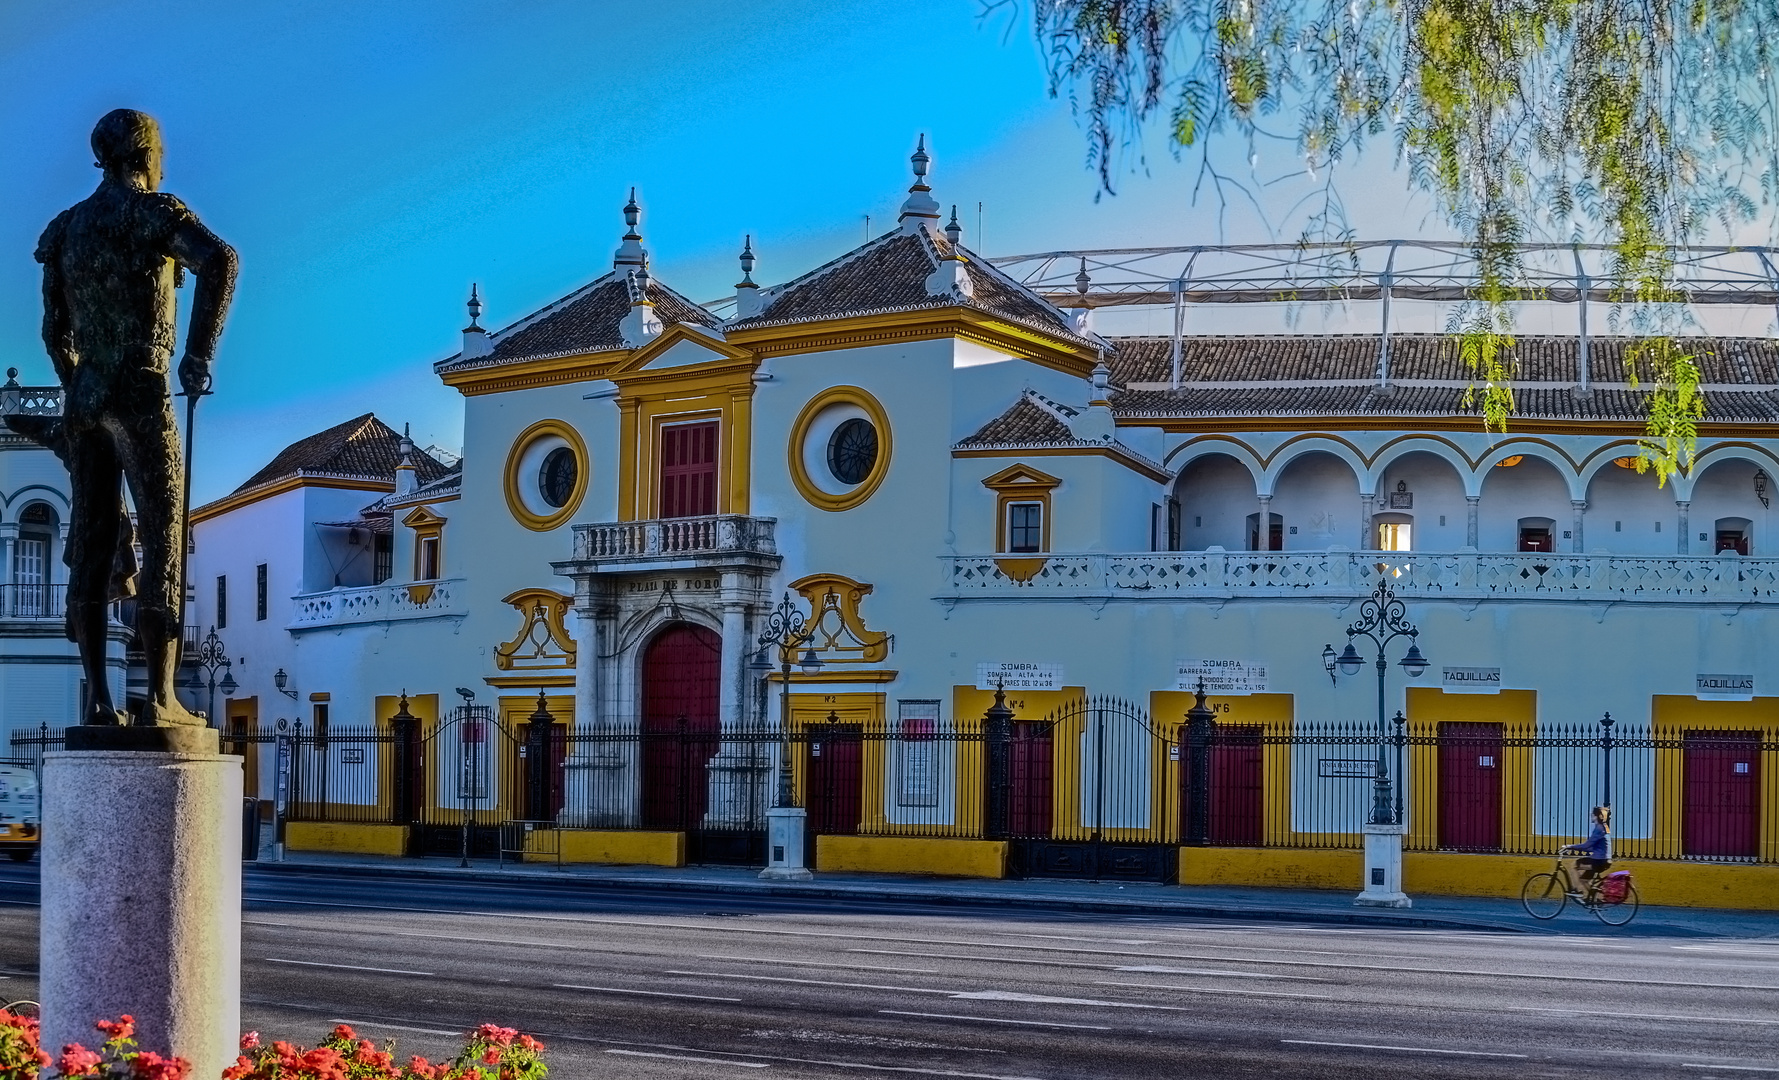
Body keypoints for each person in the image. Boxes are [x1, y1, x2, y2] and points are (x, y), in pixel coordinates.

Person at [28, 108, 237, 727]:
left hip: (86, 392)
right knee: (162, 535)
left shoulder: (66, 229)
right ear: (144, 154)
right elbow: (220, 261)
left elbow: (53, 332)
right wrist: (197, 355)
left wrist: (79, 386)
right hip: (142, 386)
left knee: (92, 541)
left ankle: (98, 698)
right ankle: (163, 699)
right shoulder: (153, 213)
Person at [1560, 805, 1612, 899]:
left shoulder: (1599, 829)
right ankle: (1594, 900)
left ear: (1596, 816)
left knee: (1575, 865)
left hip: (1599, 861)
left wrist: (1570, 847)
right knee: (1584, 880)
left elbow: (1586, 845)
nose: (1591, 816)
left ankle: (1577, 891)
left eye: (1592, 815)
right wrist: (1573, 848)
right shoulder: (1604, 828)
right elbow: (1592, 848)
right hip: (1603, 860)